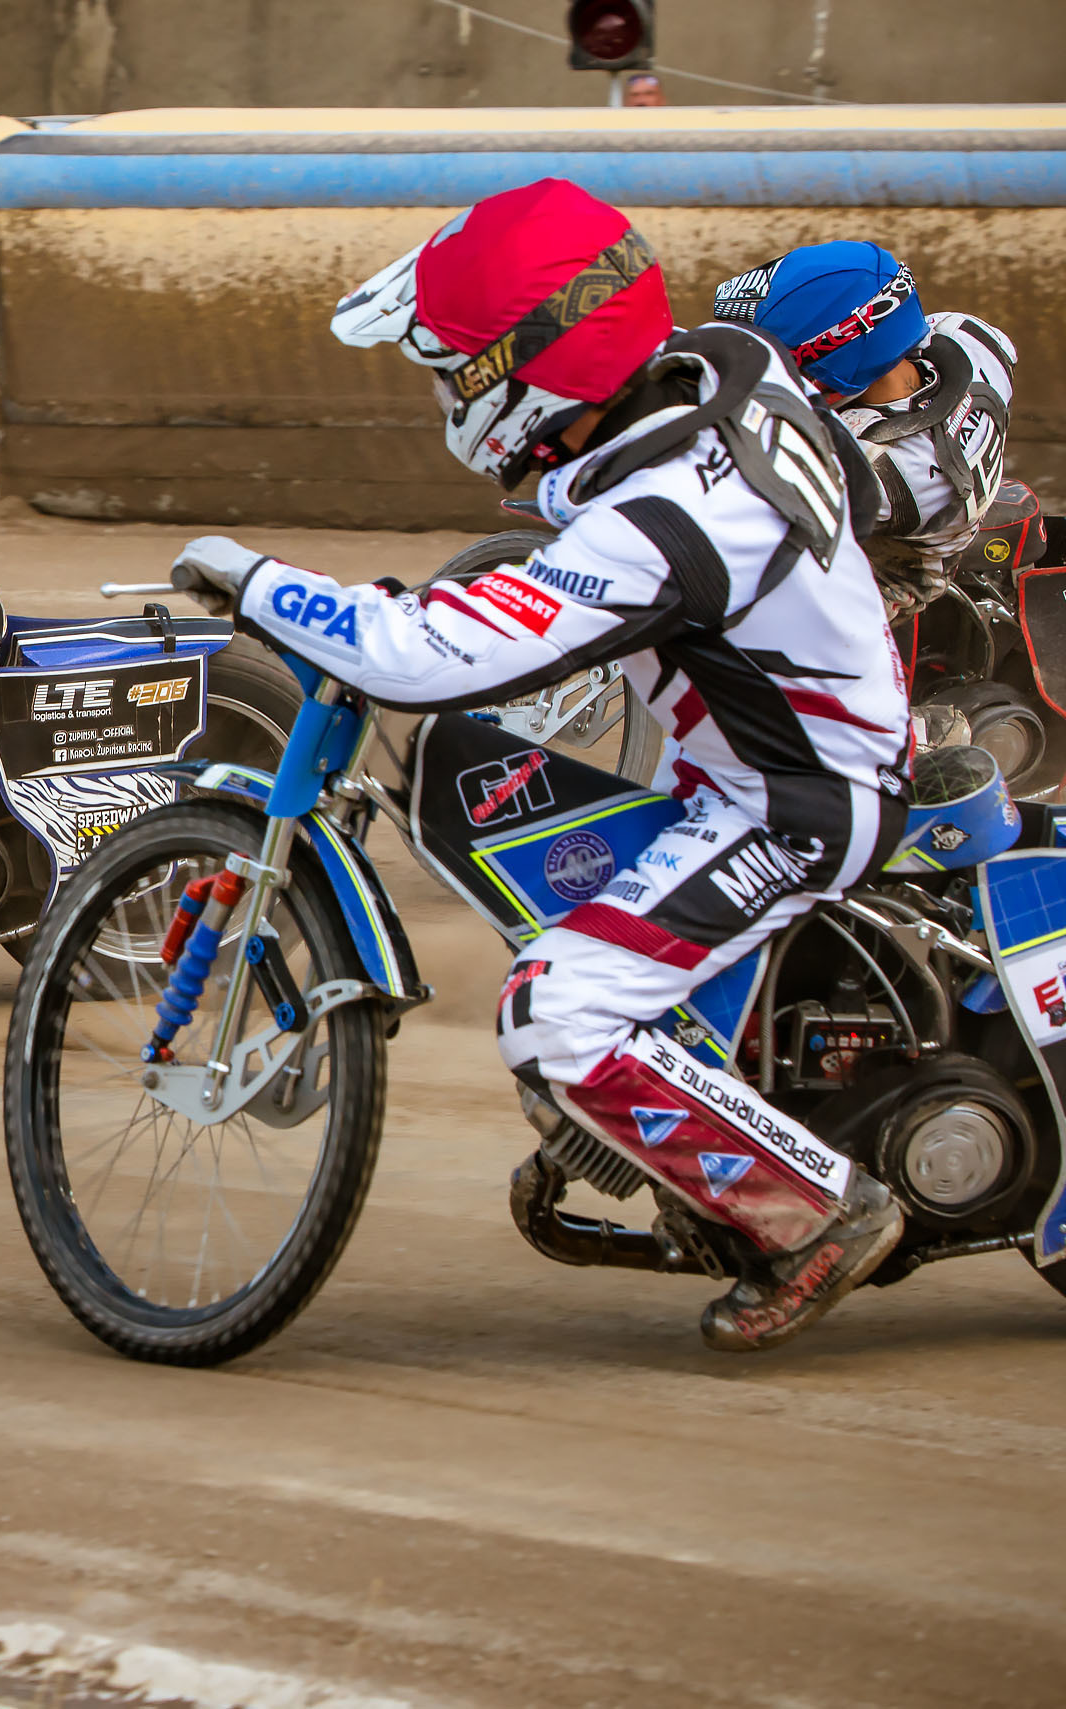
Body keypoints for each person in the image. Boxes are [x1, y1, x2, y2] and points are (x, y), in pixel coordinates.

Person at [169, 179, 913, 1353]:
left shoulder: (662, 518)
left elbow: (421, 659)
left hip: (788, 804)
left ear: (525, 375)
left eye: (450, 367)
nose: (441, 391)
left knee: (553, 1012)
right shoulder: (722, 365)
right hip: (774, 748)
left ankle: (816, 1211)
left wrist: (252, 577)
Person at [710, 240, 1018, 610]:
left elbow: (737, 507)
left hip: (887, 579)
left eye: (791, 362)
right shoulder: (971, 339)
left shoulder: (879, 466)